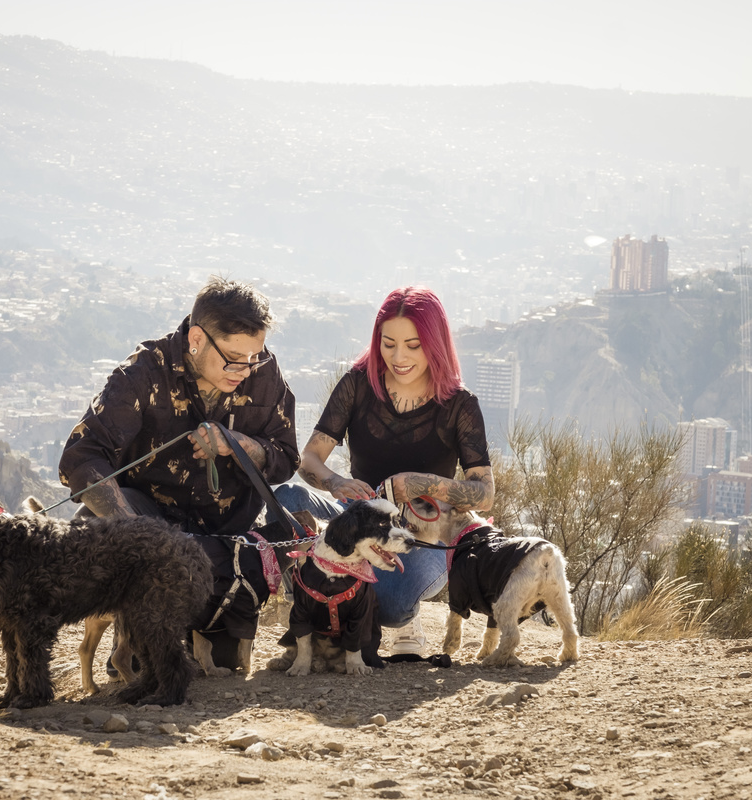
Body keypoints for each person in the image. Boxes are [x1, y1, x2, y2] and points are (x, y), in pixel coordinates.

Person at [58, 276, 300, 670]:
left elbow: (286, 457)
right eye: (234, 358)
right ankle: (135, 621)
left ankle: (195, 624)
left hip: (223, 540)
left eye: (255, 356)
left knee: (222, 669)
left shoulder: (262, 372)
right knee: (144, 669)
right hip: (150, 528)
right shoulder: (142, 373)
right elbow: (81, 458)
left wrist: (235, 442)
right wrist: (140, 537)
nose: (246, 369)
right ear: (197, 339)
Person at [275, 285, 494, 656]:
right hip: (360, 520)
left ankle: (402, 618)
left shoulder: (460, 405)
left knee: (389, 606)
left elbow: (484, 494)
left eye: (413, 345)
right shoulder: (357, 385)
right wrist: (335, 481)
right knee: (285, 499)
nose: (398, 356)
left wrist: (419, 483)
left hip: (425, 537)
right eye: (388, 343)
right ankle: (314, 601)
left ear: (435, 342)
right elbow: (309, 459)